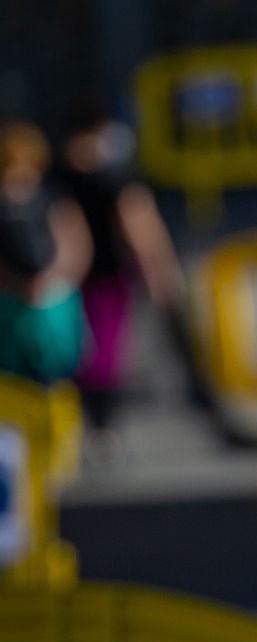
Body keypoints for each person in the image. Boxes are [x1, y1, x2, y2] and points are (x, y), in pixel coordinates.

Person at [56, 100, 187, 448]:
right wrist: (161, 273)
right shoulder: (115, 178)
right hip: (106, 277)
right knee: (105, 355)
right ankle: (100, 427)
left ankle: (80, 424)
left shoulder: (55, 177)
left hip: (62, 279)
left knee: (71, 352)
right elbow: (142, 230)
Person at [0, 121, 92, 384]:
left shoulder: (53, 198)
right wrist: (15, 283)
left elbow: (76, 247)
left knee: (57, 379)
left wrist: (51, 280)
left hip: (53, 307)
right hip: (10, 309)